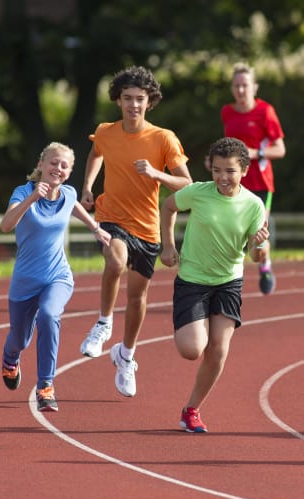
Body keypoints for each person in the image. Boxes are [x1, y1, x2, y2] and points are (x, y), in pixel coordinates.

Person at [79, 65, 192, 397]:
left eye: (139, 99)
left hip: (147, 228)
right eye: (127, 98)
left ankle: (126, 355)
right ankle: (102, 323)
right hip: (112, 217)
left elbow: (186, 182)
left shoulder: (163, 138)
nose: (133, 105)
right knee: (114, 260)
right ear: (118, 101)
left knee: (137, 296)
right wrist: (87, 185)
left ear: (149, 101)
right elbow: (95, 152)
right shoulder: (106, 131)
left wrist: (158, 174)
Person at [161, 137, 269, 433]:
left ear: (244, 171)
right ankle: (196, 327)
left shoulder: (253, 205)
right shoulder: (197, 192)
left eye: (230, 171)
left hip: (228, 282)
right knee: (192, 349)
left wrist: (259, 247)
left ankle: (191, 410)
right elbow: (168, 207)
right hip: (193, 280)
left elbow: (256, 255)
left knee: (218, 350)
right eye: (217, 170)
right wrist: (168, 246)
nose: (223, 177)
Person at [1, 142, 111, 412]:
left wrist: (96, 228)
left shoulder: (69, 193)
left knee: (49, 315)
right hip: (25, 280)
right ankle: (10, 359)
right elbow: (5, 226)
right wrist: (32, 199)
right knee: (20, 339)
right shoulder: (23, 192)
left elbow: (74, 206)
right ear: (41, 165)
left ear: (69, 172)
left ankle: (45, 385)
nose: (58, 169)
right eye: (53, 163)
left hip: (57, 276)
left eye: (64, 166)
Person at [220, 62, 286, 294]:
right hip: (233, 183)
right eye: (237, 86)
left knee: (257, 234)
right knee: (230, 231)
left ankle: (265, 265)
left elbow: (280, 149)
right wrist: (216, 161)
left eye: (245, 85)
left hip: (260, 183)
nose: (241, 90)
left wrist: (255, 153)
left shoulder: (265, 111)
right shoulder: (227, 112)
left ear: (254, 87)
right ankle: (227, 281)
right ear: (232, 88)